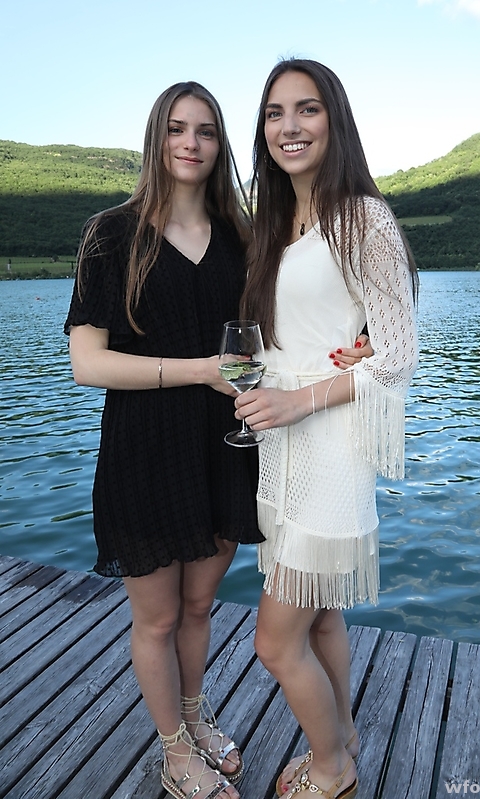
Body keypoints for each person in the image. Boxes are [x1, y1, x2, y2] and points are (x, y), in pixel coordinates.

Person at [64, 81, 262, 799]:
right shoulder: (111, 234)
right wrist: (202, 369)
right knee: (157, 617)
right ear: (157, 137)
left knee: (201, 606)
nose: (191, 142)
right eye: (177, 128)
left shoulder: (242, 237)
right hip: (145, 450)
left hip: (224, 447)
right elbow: (88, 364)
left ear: (219, 144)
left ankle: (193, 714)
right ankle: (175, 752)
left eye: (206, 130)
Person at [236, 59, 419, 799]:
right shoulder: (275, 221)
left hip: (328, 445)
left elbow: (398, 356)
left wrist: (300, 399)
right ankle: (342, 736)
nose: (289, 127)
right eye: (275, 113)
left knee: (274, 642)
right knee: (320, 621)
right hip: (282, 445)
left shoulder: (362, 218)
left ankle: (333, 769)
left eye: (306, 109)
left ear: (334, 119)